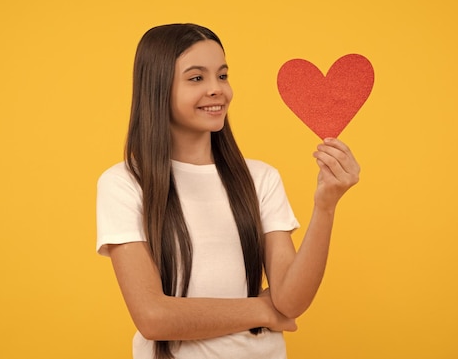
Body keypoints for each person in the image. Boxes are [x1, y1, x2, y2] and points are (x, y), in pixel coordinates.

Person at [96, 23, 360, 359]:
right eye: (196, 78)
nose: (217, 90)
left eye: (222, 76)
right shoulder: (125, 183)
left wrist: (326, 205)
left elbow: (291, 300)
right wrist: (263, 311)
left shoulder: (260, 178)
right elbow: (153, 318)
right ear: (157, 87)